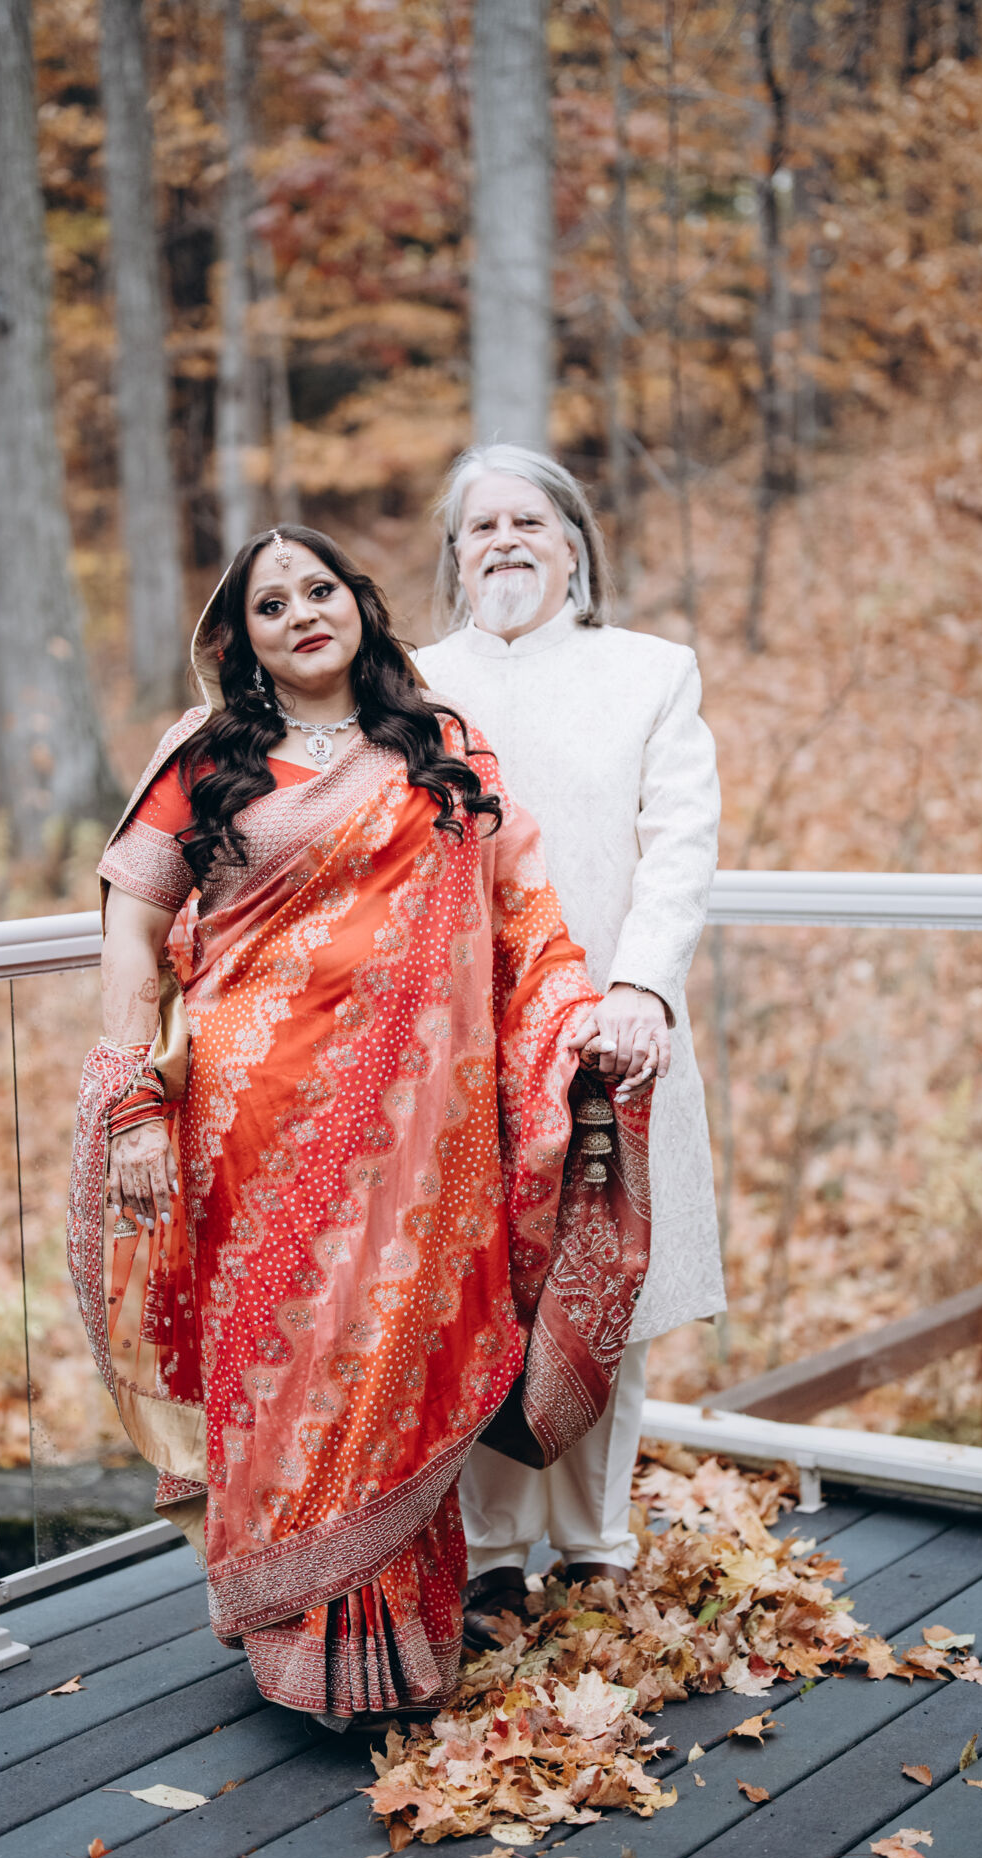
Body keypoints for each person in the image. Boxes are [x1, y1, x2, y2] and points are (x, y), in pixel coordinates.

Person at [67, 525, 654, 1728]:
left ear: (358, 603)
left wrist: (576, 1024)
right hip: (249, 1129)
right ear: (240, 639)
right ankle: (299, 1649)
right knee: (280, 1375)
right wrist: (134, 1104)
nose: (300, 613)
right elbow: (131, 935)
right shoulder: (203, 757)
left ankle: (398, 1649)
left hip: (419, 1144)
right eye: (270, 603)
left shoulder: (439, 746)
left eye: (317, 588)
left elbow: (521, 916)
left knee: (392, 1368)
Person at [422, 446, 723, 1645]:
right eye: (480, 526)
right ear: (454, 557)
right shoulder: (412, 687)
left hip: (612, 1031)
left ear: (572, 545)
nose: (503, 541)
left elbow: (679, 842)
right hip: (463, 1051)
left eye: (528, 522)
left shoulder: (647, 672)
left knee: (607, 1285)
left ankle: (594, 1548)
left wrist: (641, 987)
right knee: (484, 1293)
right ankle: (493, 1560)